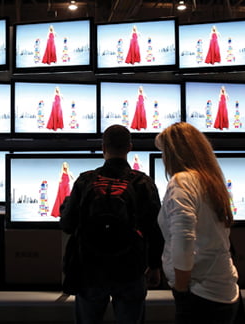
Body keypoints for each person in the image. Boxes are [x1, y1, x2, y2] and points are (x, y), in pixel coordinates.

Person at [60, 124, 163, 324]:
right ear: (129, 147)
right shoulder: (142, 183)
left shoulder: (85, 181)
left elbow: (68, 225)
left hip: (90, 269)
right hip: (131, 269)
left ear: (103, 147)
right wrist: (155, 265)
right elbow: (155, 229)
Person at [154, 122, 239, 324]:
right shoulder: (211, 180)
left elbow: (183, 240)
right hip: (223, 288)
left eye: (164, 152)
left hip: (199, 293)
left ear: (175, 153)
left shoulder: (182, 181)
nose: (163, 158)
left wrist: (181, 288)